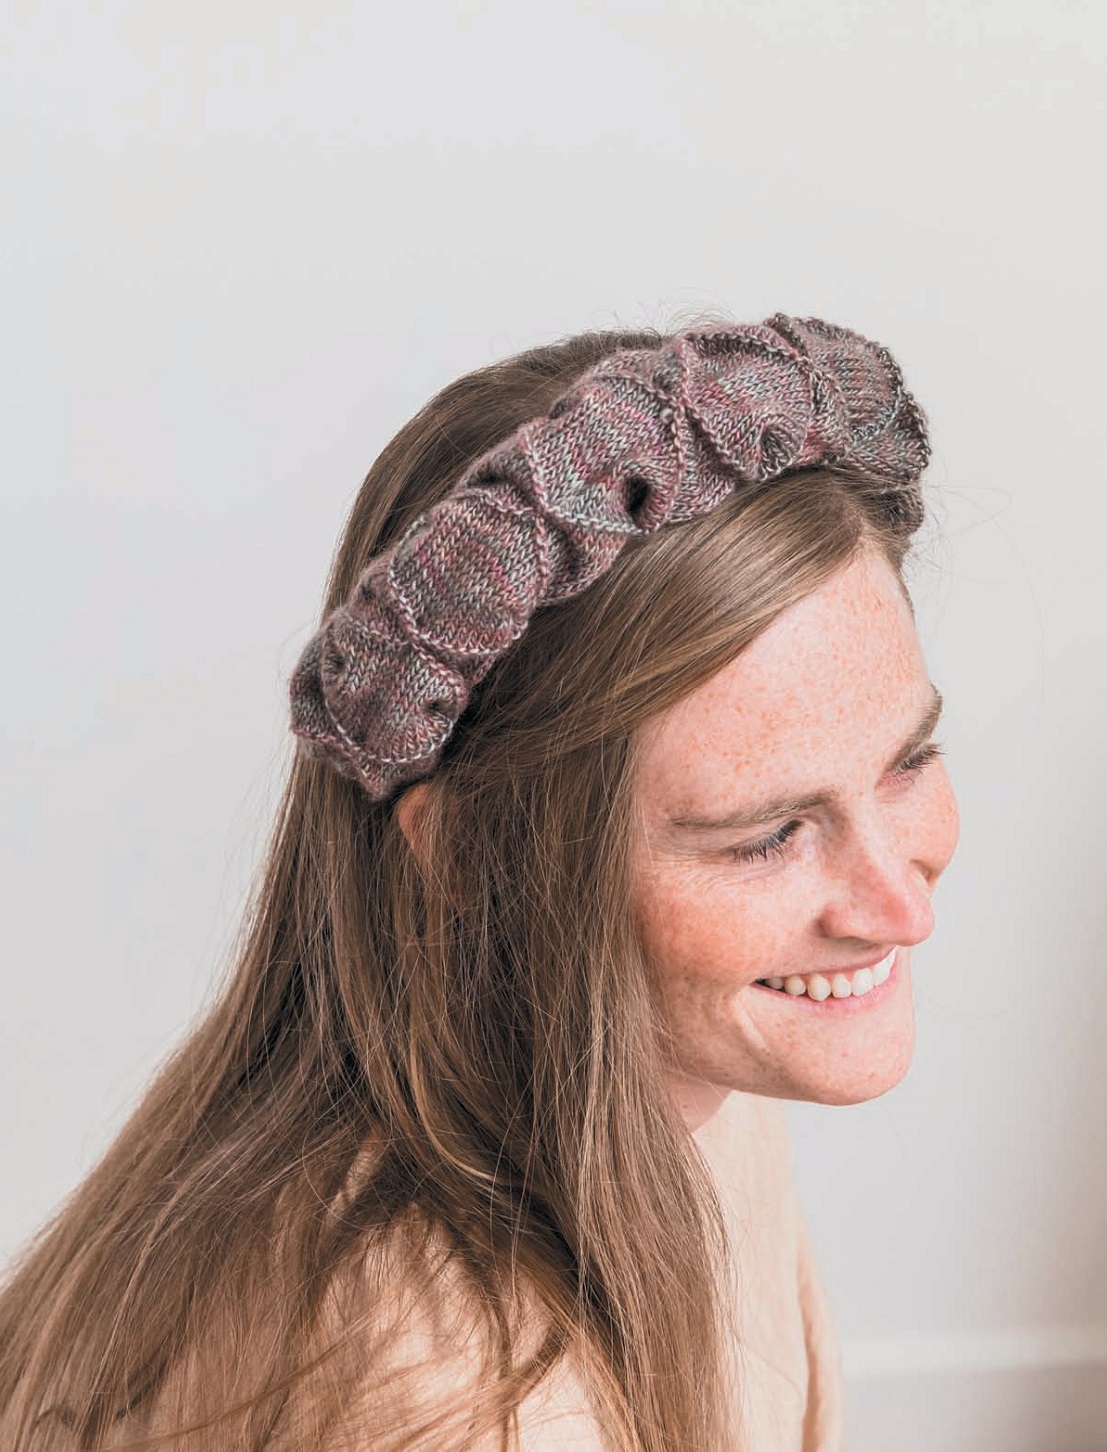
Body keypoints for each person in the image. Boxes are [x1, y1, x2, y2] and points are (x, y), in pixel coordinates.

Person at [0, 314, 960, 1452]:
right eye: (767, 837)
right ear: (466, 853)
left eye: (908, 761)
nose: (901, 908)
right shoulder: (453, 1401)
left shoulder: (687, 1074)